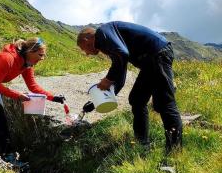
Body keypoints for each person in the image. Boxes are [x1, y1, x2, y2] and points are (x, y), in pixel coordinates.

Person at [76, 22, 183, 151]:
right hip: (150, 61)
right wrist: (97, 102)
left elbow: (122, 54)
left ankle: (174, 152)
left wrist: (108, 79)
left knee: (165, 103)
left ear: (86, 39)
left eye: (83, 49)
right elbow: (121, 73)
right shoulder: (108, 41)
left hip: (158, 54)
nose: (86, 54)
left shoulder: (102, 33)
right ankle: (142, 144)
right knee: (137, 100)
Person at [0, 37, 66, 164]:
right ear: (30, 51)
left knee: (0, 116)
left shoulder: (27, 64)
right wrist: (17, 95)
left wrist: (53, 97)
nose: (42, 58)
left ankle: (7, 153)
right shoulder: (8, 59)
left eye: (44, 55)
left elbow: (33, 86)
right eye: (40, 55)